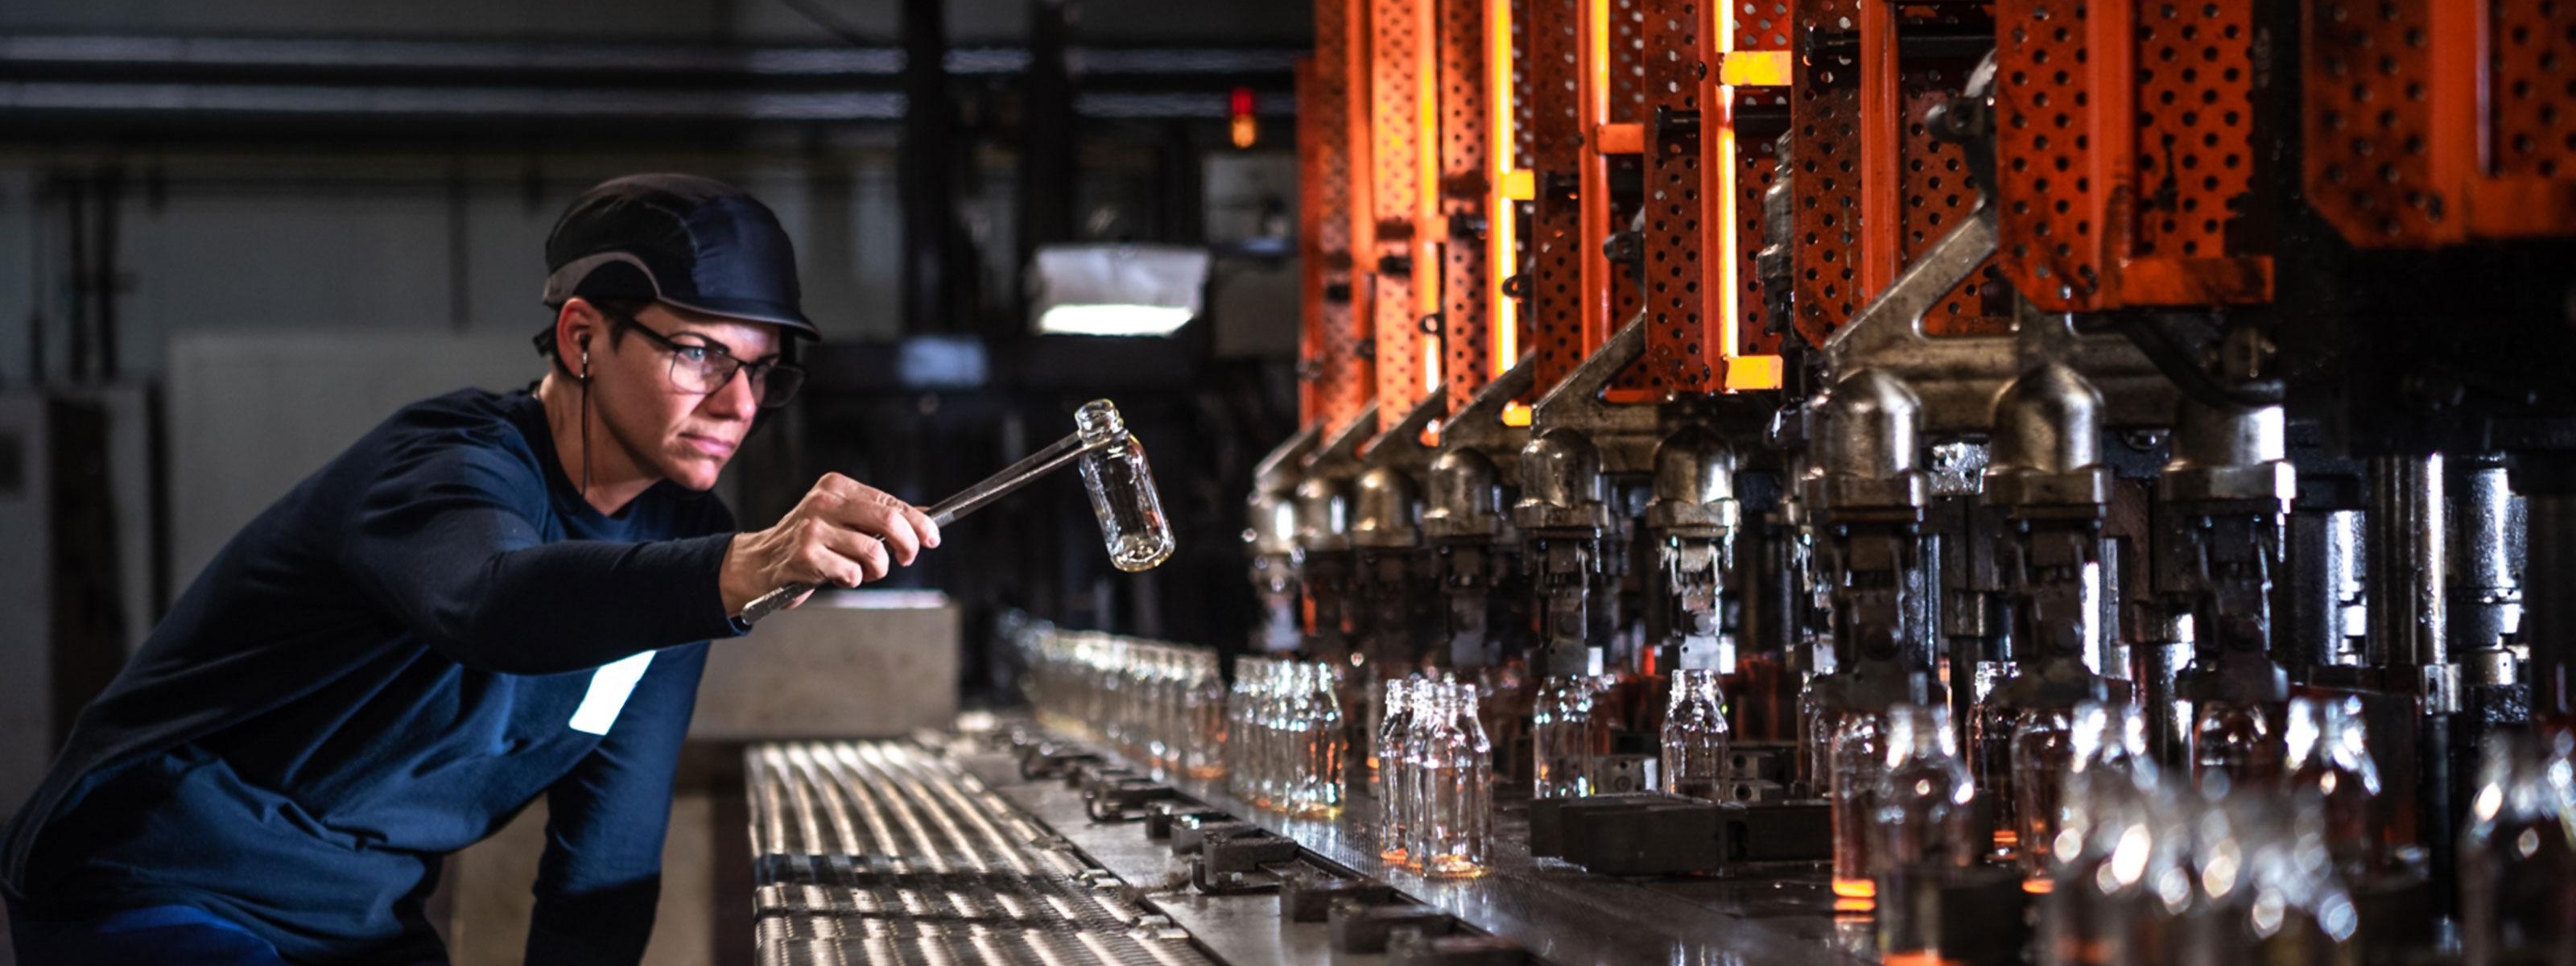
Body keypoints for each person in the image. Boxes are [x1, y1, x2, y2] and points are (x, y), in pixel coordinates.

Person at [0, 174, 933, 965]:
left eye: (764, 371)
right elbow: (494, 604)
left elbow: (604, 852)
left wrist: (719, 567)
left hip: (350, 917)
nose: (739, 403)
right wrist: (740, 568)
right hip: (161, 876)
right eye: (700, 354)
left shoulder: (684, 530)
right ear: (581, 339)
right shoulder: (449, 467)